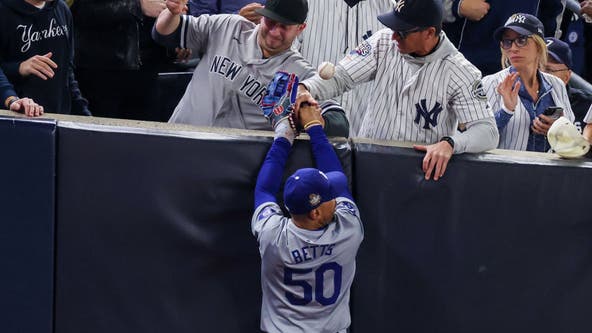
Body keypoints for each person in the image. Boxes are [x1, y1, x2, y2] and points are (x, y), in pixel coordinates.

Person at [296, 0, 499, 181]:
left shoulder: (460, 71)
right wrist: (307, 87)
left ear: (430, 32)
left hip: (421, 175)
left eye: (402, 31)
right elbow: (341, 77)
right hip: (369, 165)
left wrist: (450, 143)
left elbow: (487, 131)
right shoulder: (383, 42)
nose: (394, 36)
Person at [252, 83, 363, 333]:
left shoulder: (273, 237)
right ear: (315, 212)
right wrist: (314, 127)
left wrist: (284, 134)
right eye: (329, 197)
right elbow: (335, 172)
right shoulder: (348, 229)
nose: (334, 198)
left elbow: (264, 191)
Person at [152, 0, 350, 137]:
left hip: (234, 161)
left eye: (284, 27)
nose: (274, 32)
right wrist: (172, 12)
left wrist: (309, 115)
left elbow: (339, 123)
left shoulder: (299, 72)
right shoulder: (228, 26)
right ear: (262, 16)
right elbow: (166, 35)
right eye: (271, 22)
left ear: (300, 28)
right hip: (180, 136)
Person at [71, 0, 179, 121]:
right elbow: (80, 11)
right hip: (103, 71)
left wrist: (178, 37)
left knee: (147, 136)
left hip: (152, 70)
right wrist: (137, 6)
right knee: (103, 135)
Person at [296, 0, 392, 136]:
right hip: (309, 130)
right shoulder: (306, 4)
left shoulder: (389, 9)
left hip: (360, 138)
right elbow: (285, 58)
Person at [482, 13, 575, 152]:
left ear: (539, 45)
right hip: (504, 171)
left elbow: (572, 138)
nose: (513, 48)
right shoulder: (491, 83)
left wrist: (559, 129)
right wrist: (506, 111)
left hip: (549, 172)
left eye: (522, 40)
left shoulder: (556, 84)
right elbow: (479, 137)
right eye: (507, 42)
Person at [0, 0, 90, 116]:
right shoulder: (4, 11)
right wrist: (18, 69)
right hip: (17, 118)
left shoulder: (61, 9)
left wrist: (84, 113)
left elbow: (66, 72)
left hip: (59, 117)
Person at [442, 0, 565, 76]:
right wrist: (458, 7)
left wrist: (545, 58)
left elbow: (552, 14)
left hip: (517, 69)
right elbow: (426, 8)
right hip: (459, 64)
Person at [543, 37, 592, 133]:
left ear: (566, 76)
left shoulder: (587, 105)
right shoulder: (515, 101)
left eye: (548, 70)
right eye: (536, 68)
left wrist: (560, 134)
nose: (540, 75)